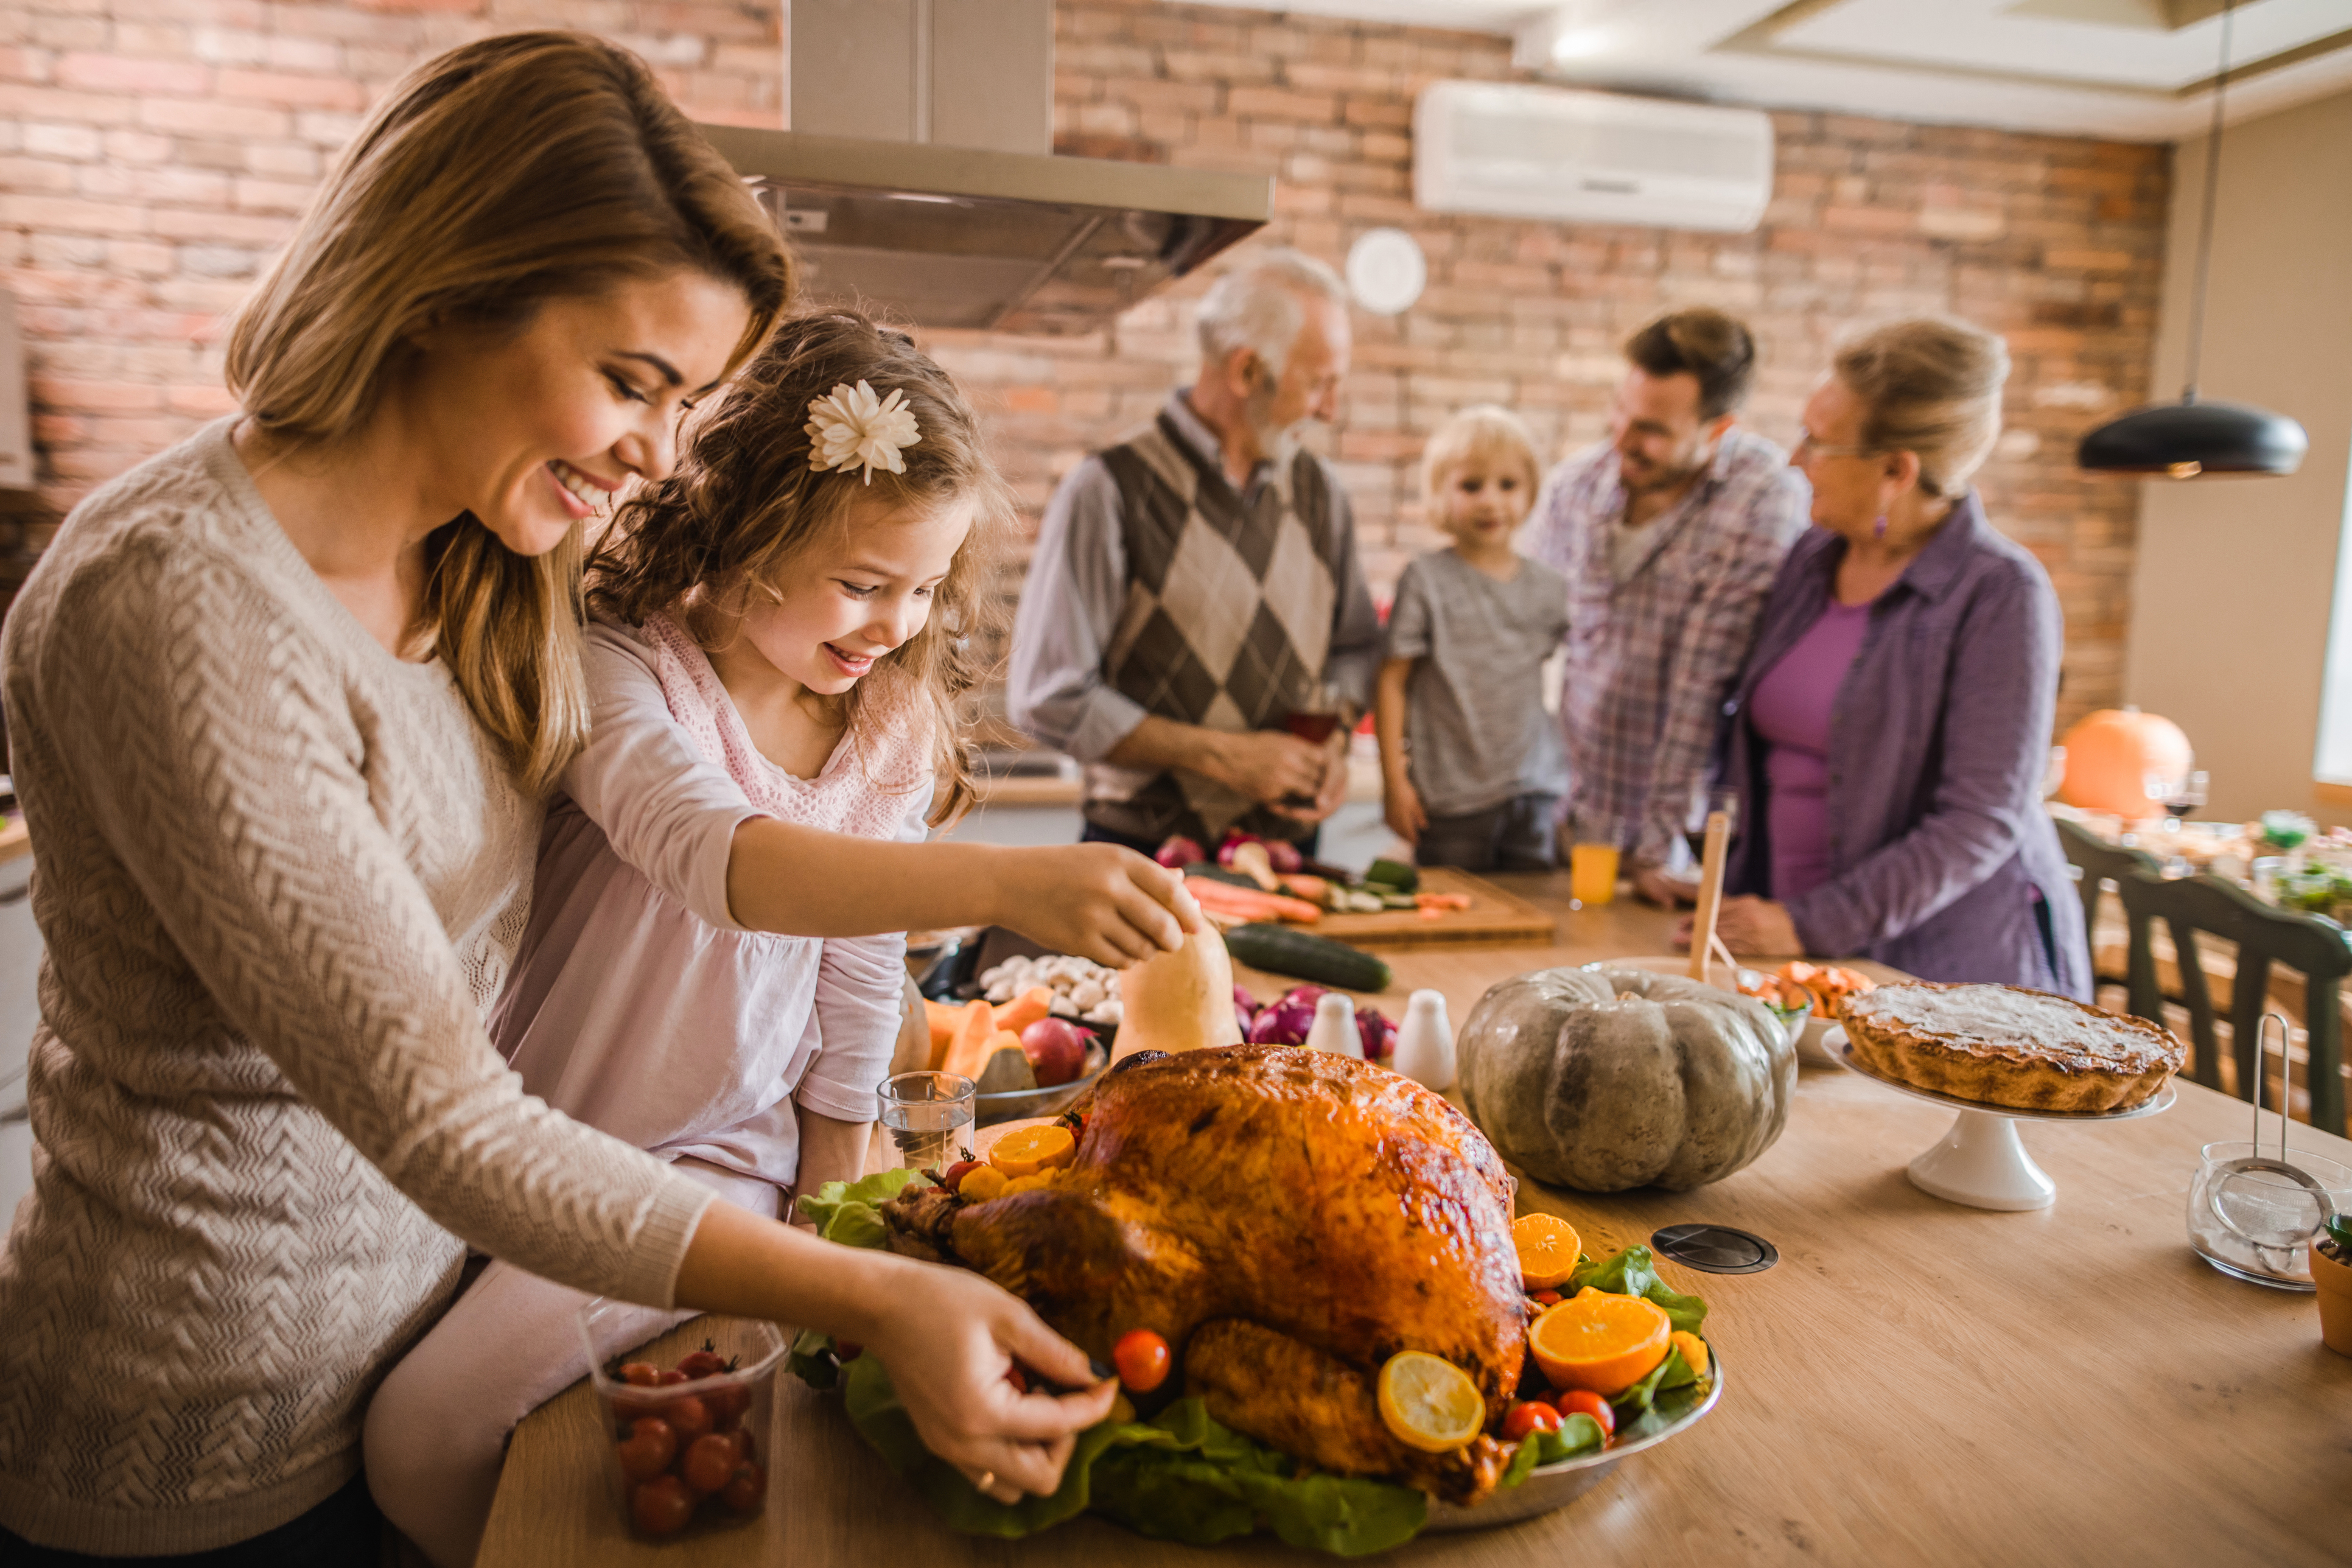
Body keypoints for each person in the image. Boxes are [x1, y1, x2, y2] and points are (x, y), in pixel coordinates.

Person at [0, 36, 1175, 1563]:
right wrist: (871, 1285)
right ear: (444, 284)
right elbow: (442, 1112)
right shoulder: (178, 606)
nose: (659, 456)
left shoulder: (494, 561)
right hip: (197, 1449)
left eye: (686, 399)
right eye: (634, 381)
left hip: (414, 1331)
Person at [362, 312, 1071, 1566]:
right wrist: (1009, 873)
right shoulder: (623, 677)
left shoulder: (888, 731)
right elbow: (710, 851)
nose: (895, 625)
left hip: (710, 1171)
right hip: (534, 1151)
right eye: (863, 582)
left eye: (925, 588)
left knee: (420, 1436)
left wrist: (829, 1194)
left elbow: (862, 975)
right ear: (750, 539)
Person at [1706, 317, 2090, 996]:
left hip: (1942, 971)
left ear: (1896, 470)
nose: (1796, 460)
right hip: (1793, 949)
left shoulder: (2002, 592)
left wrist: (1810, 922)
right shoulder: (1811, 558)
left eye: (1820, 442)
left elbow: (1980, 820)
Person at [1006, 248, 1383, 857]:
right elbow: (1051, 697)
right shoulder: (1110, 490)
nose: (1331, 410)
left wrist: (1334, 740)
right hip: (1141, 859)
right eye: (1319, 384)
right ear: (1246, 373)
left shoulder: (1322, 493)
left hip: (1290, 858)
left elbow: (1355, 646)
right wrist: (1226, 756)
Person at [1526, 306, 1808, 902]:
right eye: (1620, 412)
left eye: (1652, 428)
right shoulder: (1576, 486)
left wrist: (1660, 844)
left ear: (1718, 428)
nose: (1623, 439)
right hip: (1565, 821)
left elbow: (1705, 680)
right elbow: (1524, 643)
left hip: (1681, 845)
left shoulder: (1762, 496)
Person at [1374, 406, 1570, 871]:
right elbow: (1390, 681)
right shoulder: (1425, 581)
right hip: (1449, 798)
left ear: (1530, 494)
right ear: (1441, 495)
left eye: (1507, 485)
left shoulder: (1550, 588)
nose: (1490, 501)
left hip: (1533, 790)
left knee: (1535, 917)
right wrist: (1394, 781)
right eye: (1471, 485)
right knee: (1454, 913)